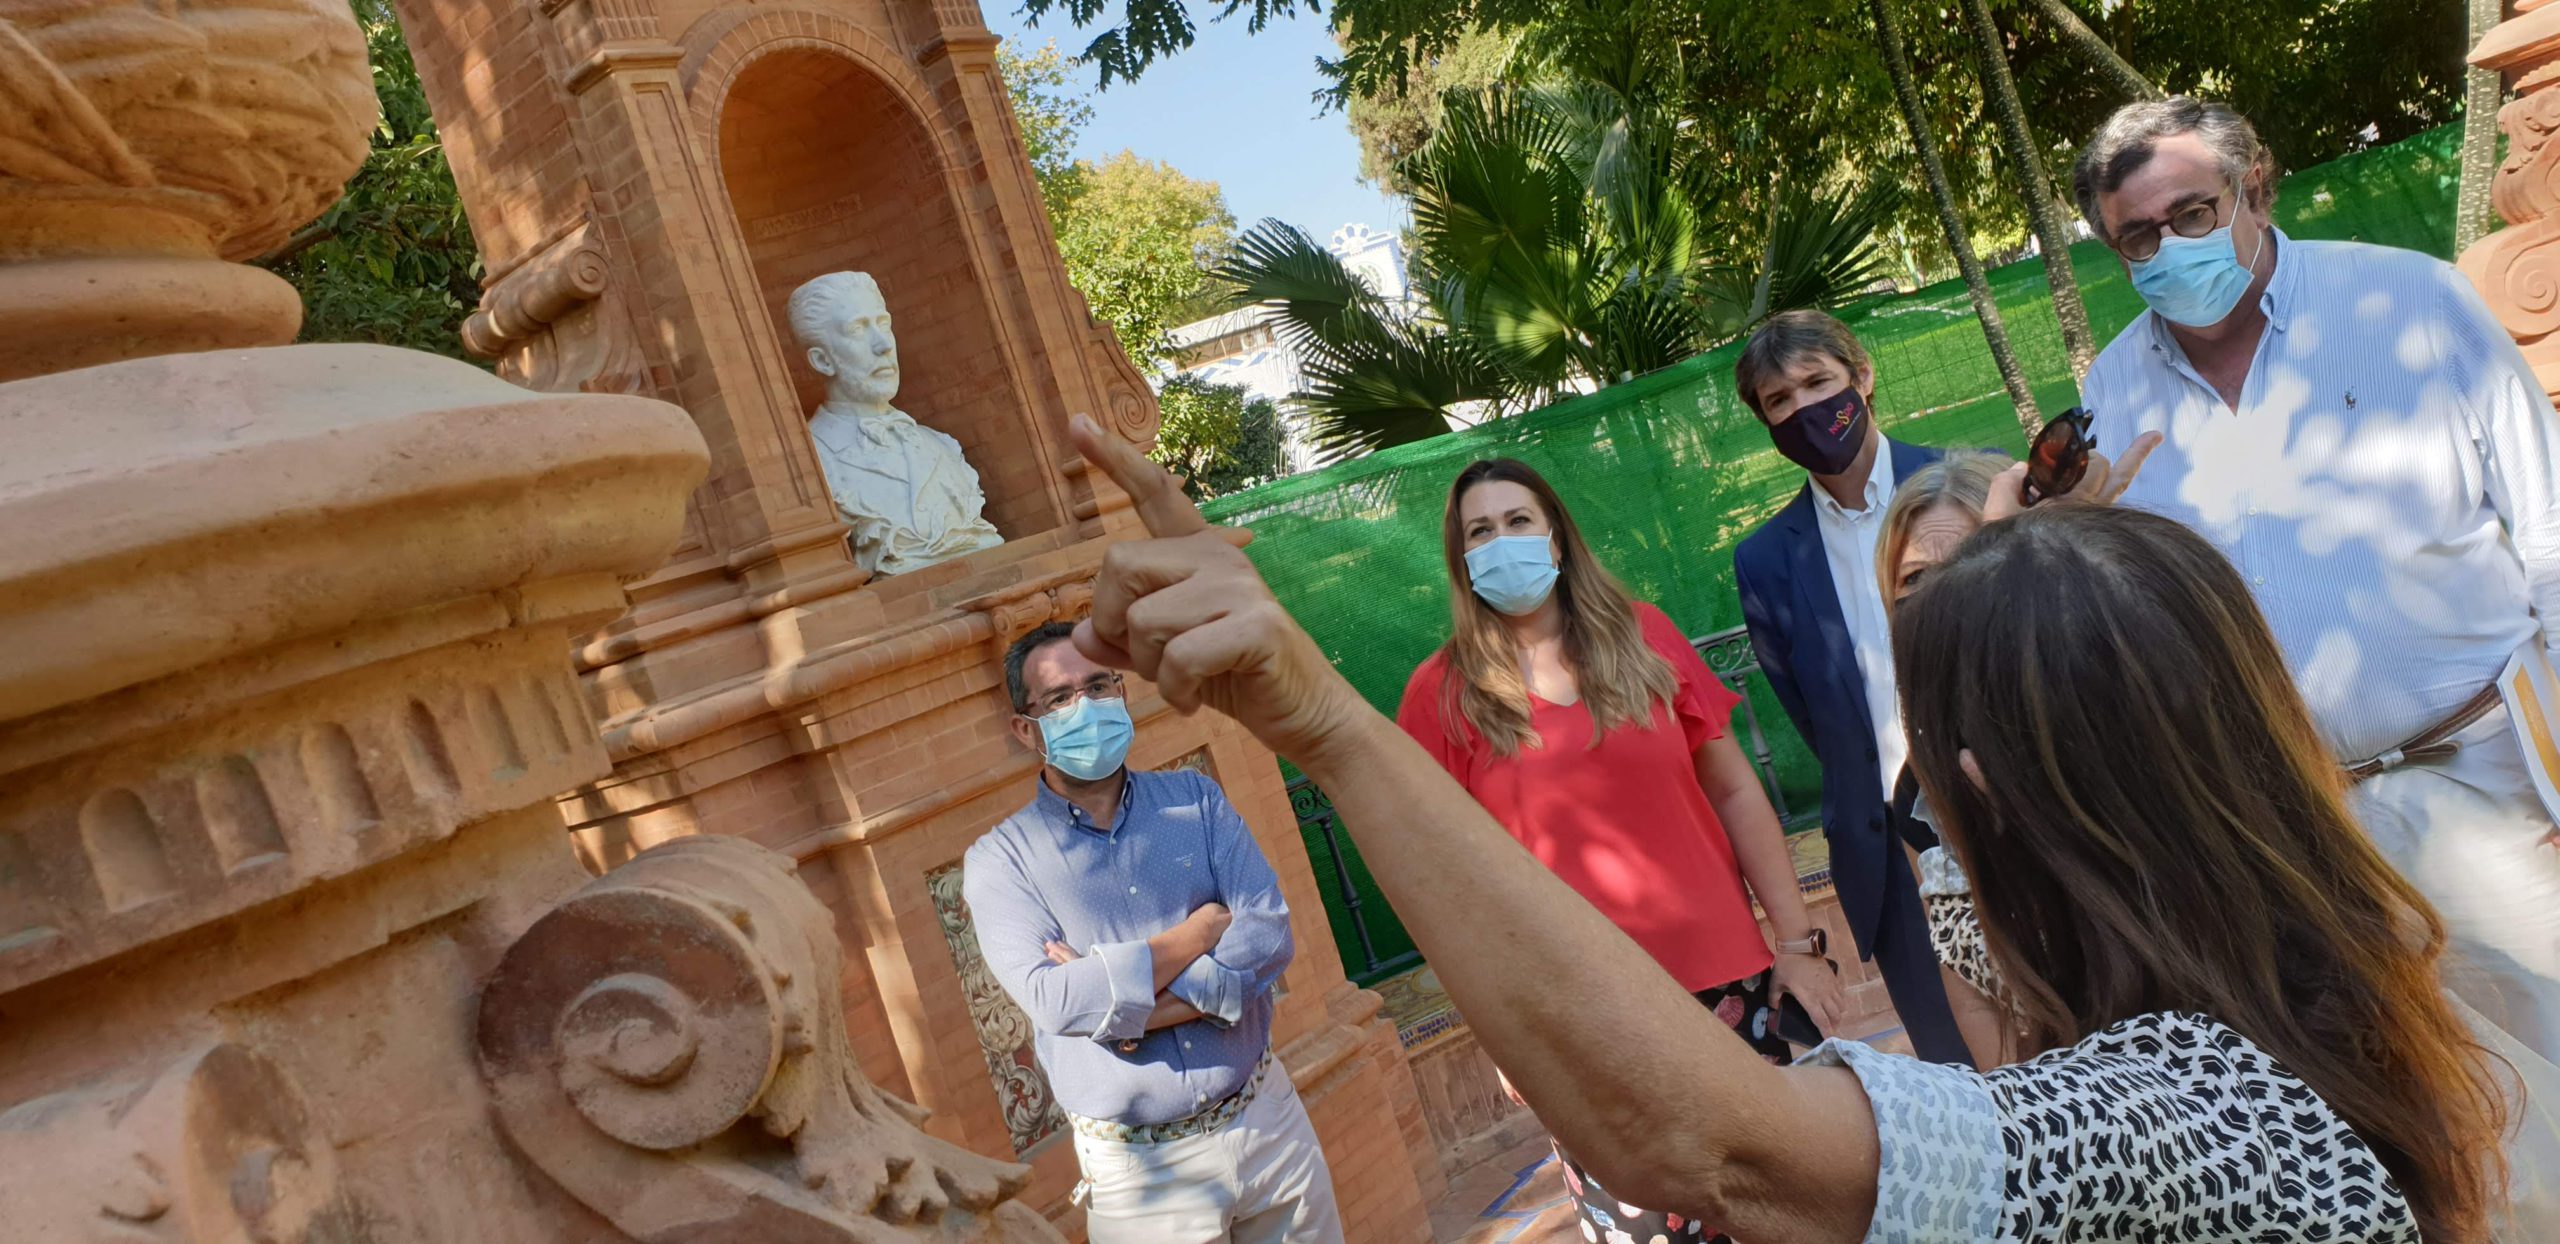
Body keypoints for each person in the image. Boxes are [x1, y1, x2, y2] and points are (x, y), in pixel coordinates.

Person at [1061, 411, 2511, 1243]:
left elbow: (1716, 1146)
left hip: (1718, 993)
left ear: (1981, 794)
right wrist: (2032, 572)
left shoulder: (2170, 1115)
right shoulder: (2330, 982)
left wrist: (1323, 727)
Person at [2073, 96, 2560, 1058]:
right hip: (2295, 839)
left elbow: (2548, 531)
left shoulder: (2411, 301)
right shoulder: (2113, 391)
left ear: (2252, 185)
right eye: (2136, 239)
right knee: (2434, 1120)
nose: (2169, 249)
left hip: (2485, 786)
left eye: (2192, 215)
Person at [1396, 458, 1847, 1242]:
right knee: (1650, 1226)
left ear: (1558, 537)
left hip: (1728, 982)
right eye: (1480, 531)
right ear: (1462, 560)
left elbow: (1738, 793)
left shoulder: (1647, 636)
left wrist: (1796, 943)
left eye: (1518, 522)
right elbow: (1441, 889)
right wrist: (1503, 1030)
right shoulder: (1440, 695)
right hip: (1579, 1020)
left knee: (1792, 1209)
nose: (1501, 541)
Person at [961, 622, 1339, 1243]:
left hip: (1266, 1122)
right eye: (1060, 698)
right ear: (1026, 730)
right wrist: (1199, 932)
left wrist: (1122, 1006)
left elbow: (1268, 935)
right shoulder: (1001, 861)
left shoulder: (1196, 800)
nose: (1085, 706)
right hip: (1142, 1172)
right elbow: (1055, 1001)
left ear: (1122, 692)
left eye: (1099, 685)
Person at [1729, 310, 1969, 1066]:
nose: (1802, 410)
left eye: (1816, 383)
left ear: (1860, 378)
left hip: (2017, 815)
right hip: (1896, 860)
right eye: (1778, 401)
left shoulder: (1967, 483)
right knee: (1960, 1072)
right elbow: (1815, 715)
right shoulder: (1766, 561)